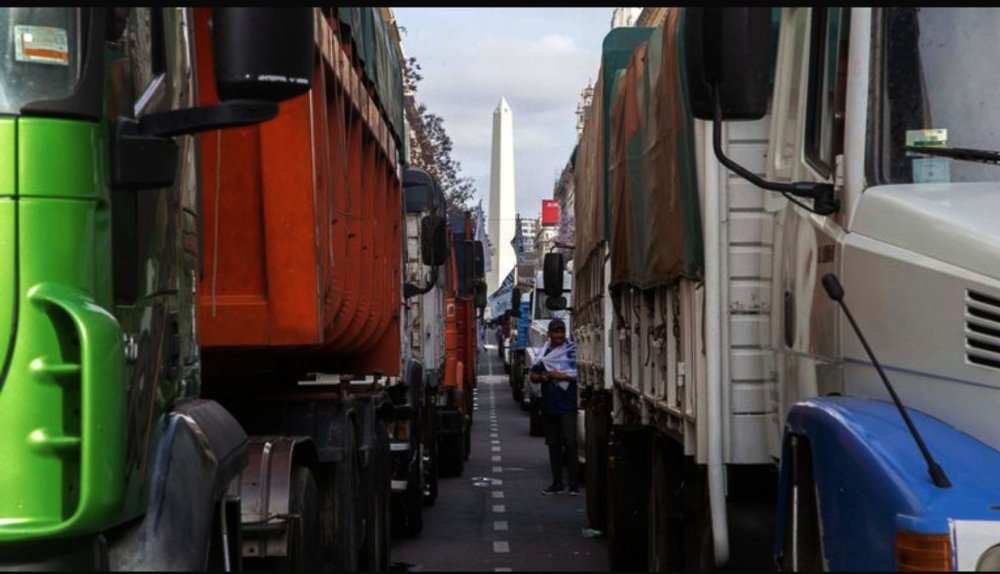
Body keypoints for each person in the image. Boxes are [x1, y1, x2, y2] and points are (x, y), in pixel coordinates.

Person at [529, 318, 579, 496]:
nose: (559, 335)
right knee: (553, 445)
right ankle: (557, 483)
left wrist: (561, 376)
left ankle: (573, 485)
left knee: (571, 444)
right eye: (555, 332)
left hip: (568, 405)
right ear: (549, 334)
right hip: (550, 405)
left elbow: (577, 374)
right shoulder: (544, 354)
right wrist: (544, 377)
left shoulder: (572, 351)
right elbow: (533, 375)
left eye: (561, 331)